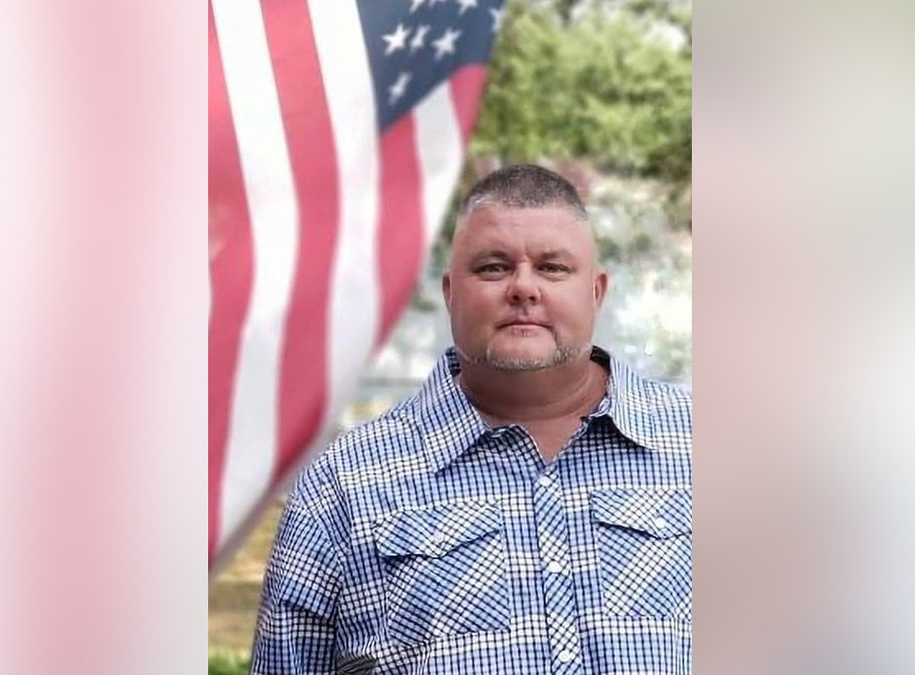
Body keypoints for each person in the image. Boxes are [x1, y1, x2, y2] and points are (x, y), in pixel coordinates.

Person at [251, 165, 692, 674]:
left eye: (552, 268)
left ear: (596, 291)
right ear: (449, 292)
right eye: (493, 268)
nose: (524, 288)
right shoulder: (343, 487)